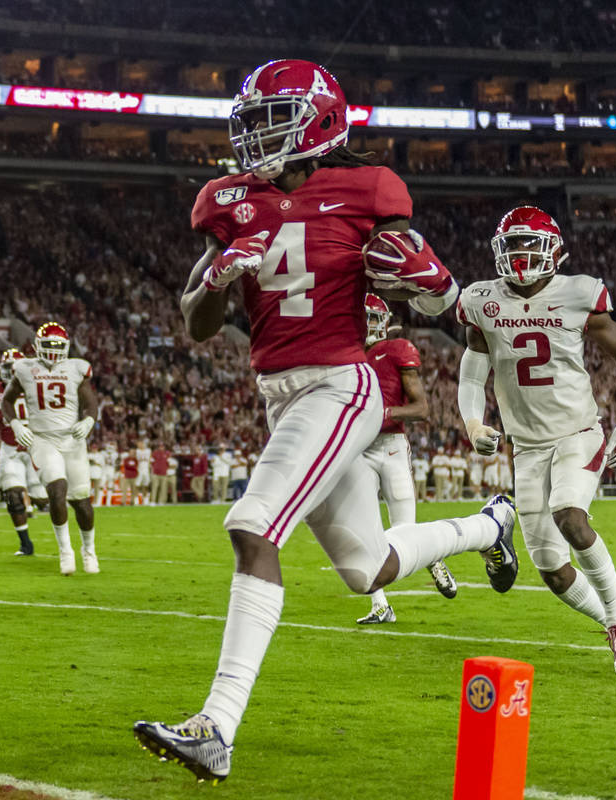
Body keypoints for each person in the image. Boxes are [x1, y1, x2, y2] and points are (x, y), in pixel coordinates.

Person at [133, 60, 520, 784]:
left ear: (318, 121)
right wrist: (219, 277)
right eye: (250, 122)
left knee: (253, 526)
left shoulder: (370, 188)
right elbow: (195, 324)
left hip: (343, 382)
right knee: (365, 567)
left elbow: (439, 305)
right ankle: (489, 527)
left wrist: (435, 285)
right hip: (280, 392)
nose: (255, 137)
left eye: (272, 119)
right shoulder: (227, 201)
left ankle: (217, 725)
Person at [456, 205, 616, 676]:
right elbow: (472, 370)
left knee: (571, 518)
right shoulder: (482, 300)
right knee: (552, 571)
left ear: (554, 249)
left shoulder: (578, 293)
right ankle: (613, 620)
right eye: (512, 243)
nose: (521, 253)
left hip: (577, 432)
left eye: (529, 242)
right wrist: (474, 423)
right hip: (527, 446)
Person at [357, 294, 457, 625]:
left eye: (372, 318)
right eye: (362, 318)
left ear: (386, 322)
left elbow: (421, 409)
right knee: (363, 531)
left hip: (391, 446)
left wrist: (380, 413)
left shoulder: (397, 348)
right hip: (358, 449)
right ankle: (380, 606)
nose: (366, 325)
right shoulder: (345, 357)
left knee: (404, 528)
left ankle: (432, 554)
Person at [2, 322, 100, 575]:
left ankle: (88, 550)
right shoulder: (25, 368)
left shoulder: (76, 368)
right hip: (43, 440)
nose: (54, 352)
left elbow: (91, 402)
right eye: (48, 346)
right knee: (57, 491)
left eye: (58, 346)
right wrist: (15, 424)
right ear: (37, 346)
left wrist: (88, 419)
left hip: (72, 440)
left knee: (81, 502)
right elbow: (7, 401)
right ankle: (65, 551)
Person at [0, 347, 36, 556]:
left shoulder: (36, 385)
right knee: (12, 495)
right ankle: (25, 544)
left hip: (38, 447)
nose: (8, 371)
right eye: (6, 367)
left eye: (12, 367)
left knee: (44, 498)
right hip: (10, 449)